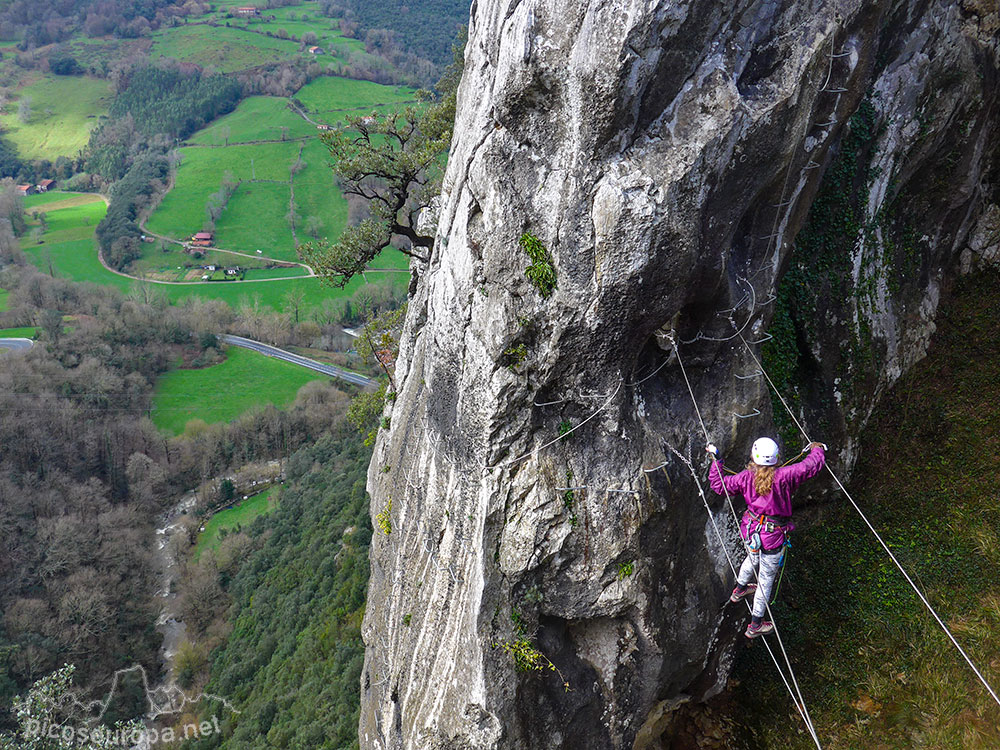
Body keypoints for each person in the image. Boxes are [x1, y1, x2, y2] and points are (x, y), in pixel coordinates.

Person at [705, 437, 826, 638]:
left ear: (754, 456)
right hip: (772, 536)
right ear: (776, 458)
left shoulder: (745, 477)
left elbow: (719, 486)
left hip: (751, 530)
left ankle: (740, 589)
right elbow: (810, 466)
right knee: (765, 580)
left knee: (751, 559)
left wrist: (717, 460)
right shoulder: (785, 475)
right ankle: (755, 625)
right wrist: (817, 449)